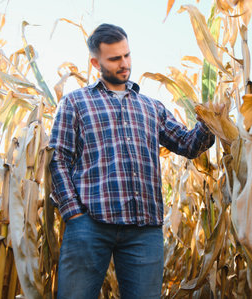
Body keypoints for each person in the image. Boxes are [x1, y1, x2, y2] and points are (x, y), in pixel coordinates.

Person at [49, 23, 215, 299]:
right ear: (95, 62)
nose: (124, 64)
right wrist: (73, 214)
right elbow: (58, 159)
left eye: (127, 55)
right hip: (90, 223)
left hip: (143, 229)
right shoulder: (75, 103)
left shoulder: (152, 107)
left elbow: (187, 145)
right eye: (114, 58)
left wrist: (210, 123)